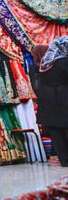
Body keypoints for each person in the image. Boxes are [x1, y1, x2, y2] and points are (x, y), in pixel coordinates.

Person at [37, 37, 68, 167]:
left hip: (47, 102)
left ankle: (64, 160)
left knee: (56, 132)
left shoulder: (46, 62)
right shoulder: (64, 62)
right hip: (62, 99)